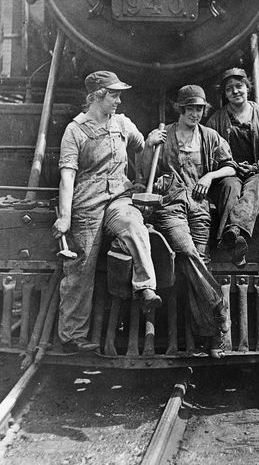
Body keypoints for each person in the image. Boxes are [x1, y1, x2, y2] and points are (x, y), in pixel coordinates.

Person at [52, 70, 161, 354]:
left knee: (133, 224)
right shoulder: (75, 131)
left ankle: (146, 287)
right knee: (80, 267)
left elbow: (142, 147)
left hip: (118, 198)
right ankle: (72, 337)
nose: (118, 100)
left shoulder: (123, 124)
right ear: (97, 96)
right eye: (113, 94)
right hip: (87, 203)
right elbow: (67, 177)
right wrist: (65, 217)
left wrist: (151, 141)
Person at [143, 85, 235, 357]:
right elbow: (145, 170)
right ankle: (218, 303)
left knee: (200, 262)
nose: (196, 114)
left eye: (200, 109)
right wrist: (149, 146)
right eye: (191, 108)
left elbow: (231, 166)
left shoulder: (209, 137)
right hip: (170, 205)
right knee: (185, 250)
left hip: (199, 204)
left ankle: (211, 338)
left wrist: (210, 176)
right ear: (180, 109)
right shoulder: (164, 135)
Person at [206, 68, 259, 265]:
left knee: (254, 186)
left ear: (247, 88)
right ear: (224, 94)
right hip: (230, 173)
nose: (235, 91)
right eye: (229, 89)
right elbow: (209, 151)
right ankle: (235, 240)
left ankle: (233, 230)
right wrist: (230, 166)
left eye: (239, 86)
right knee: (230, 187)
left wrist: (256, 167)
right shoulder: (216, 120)